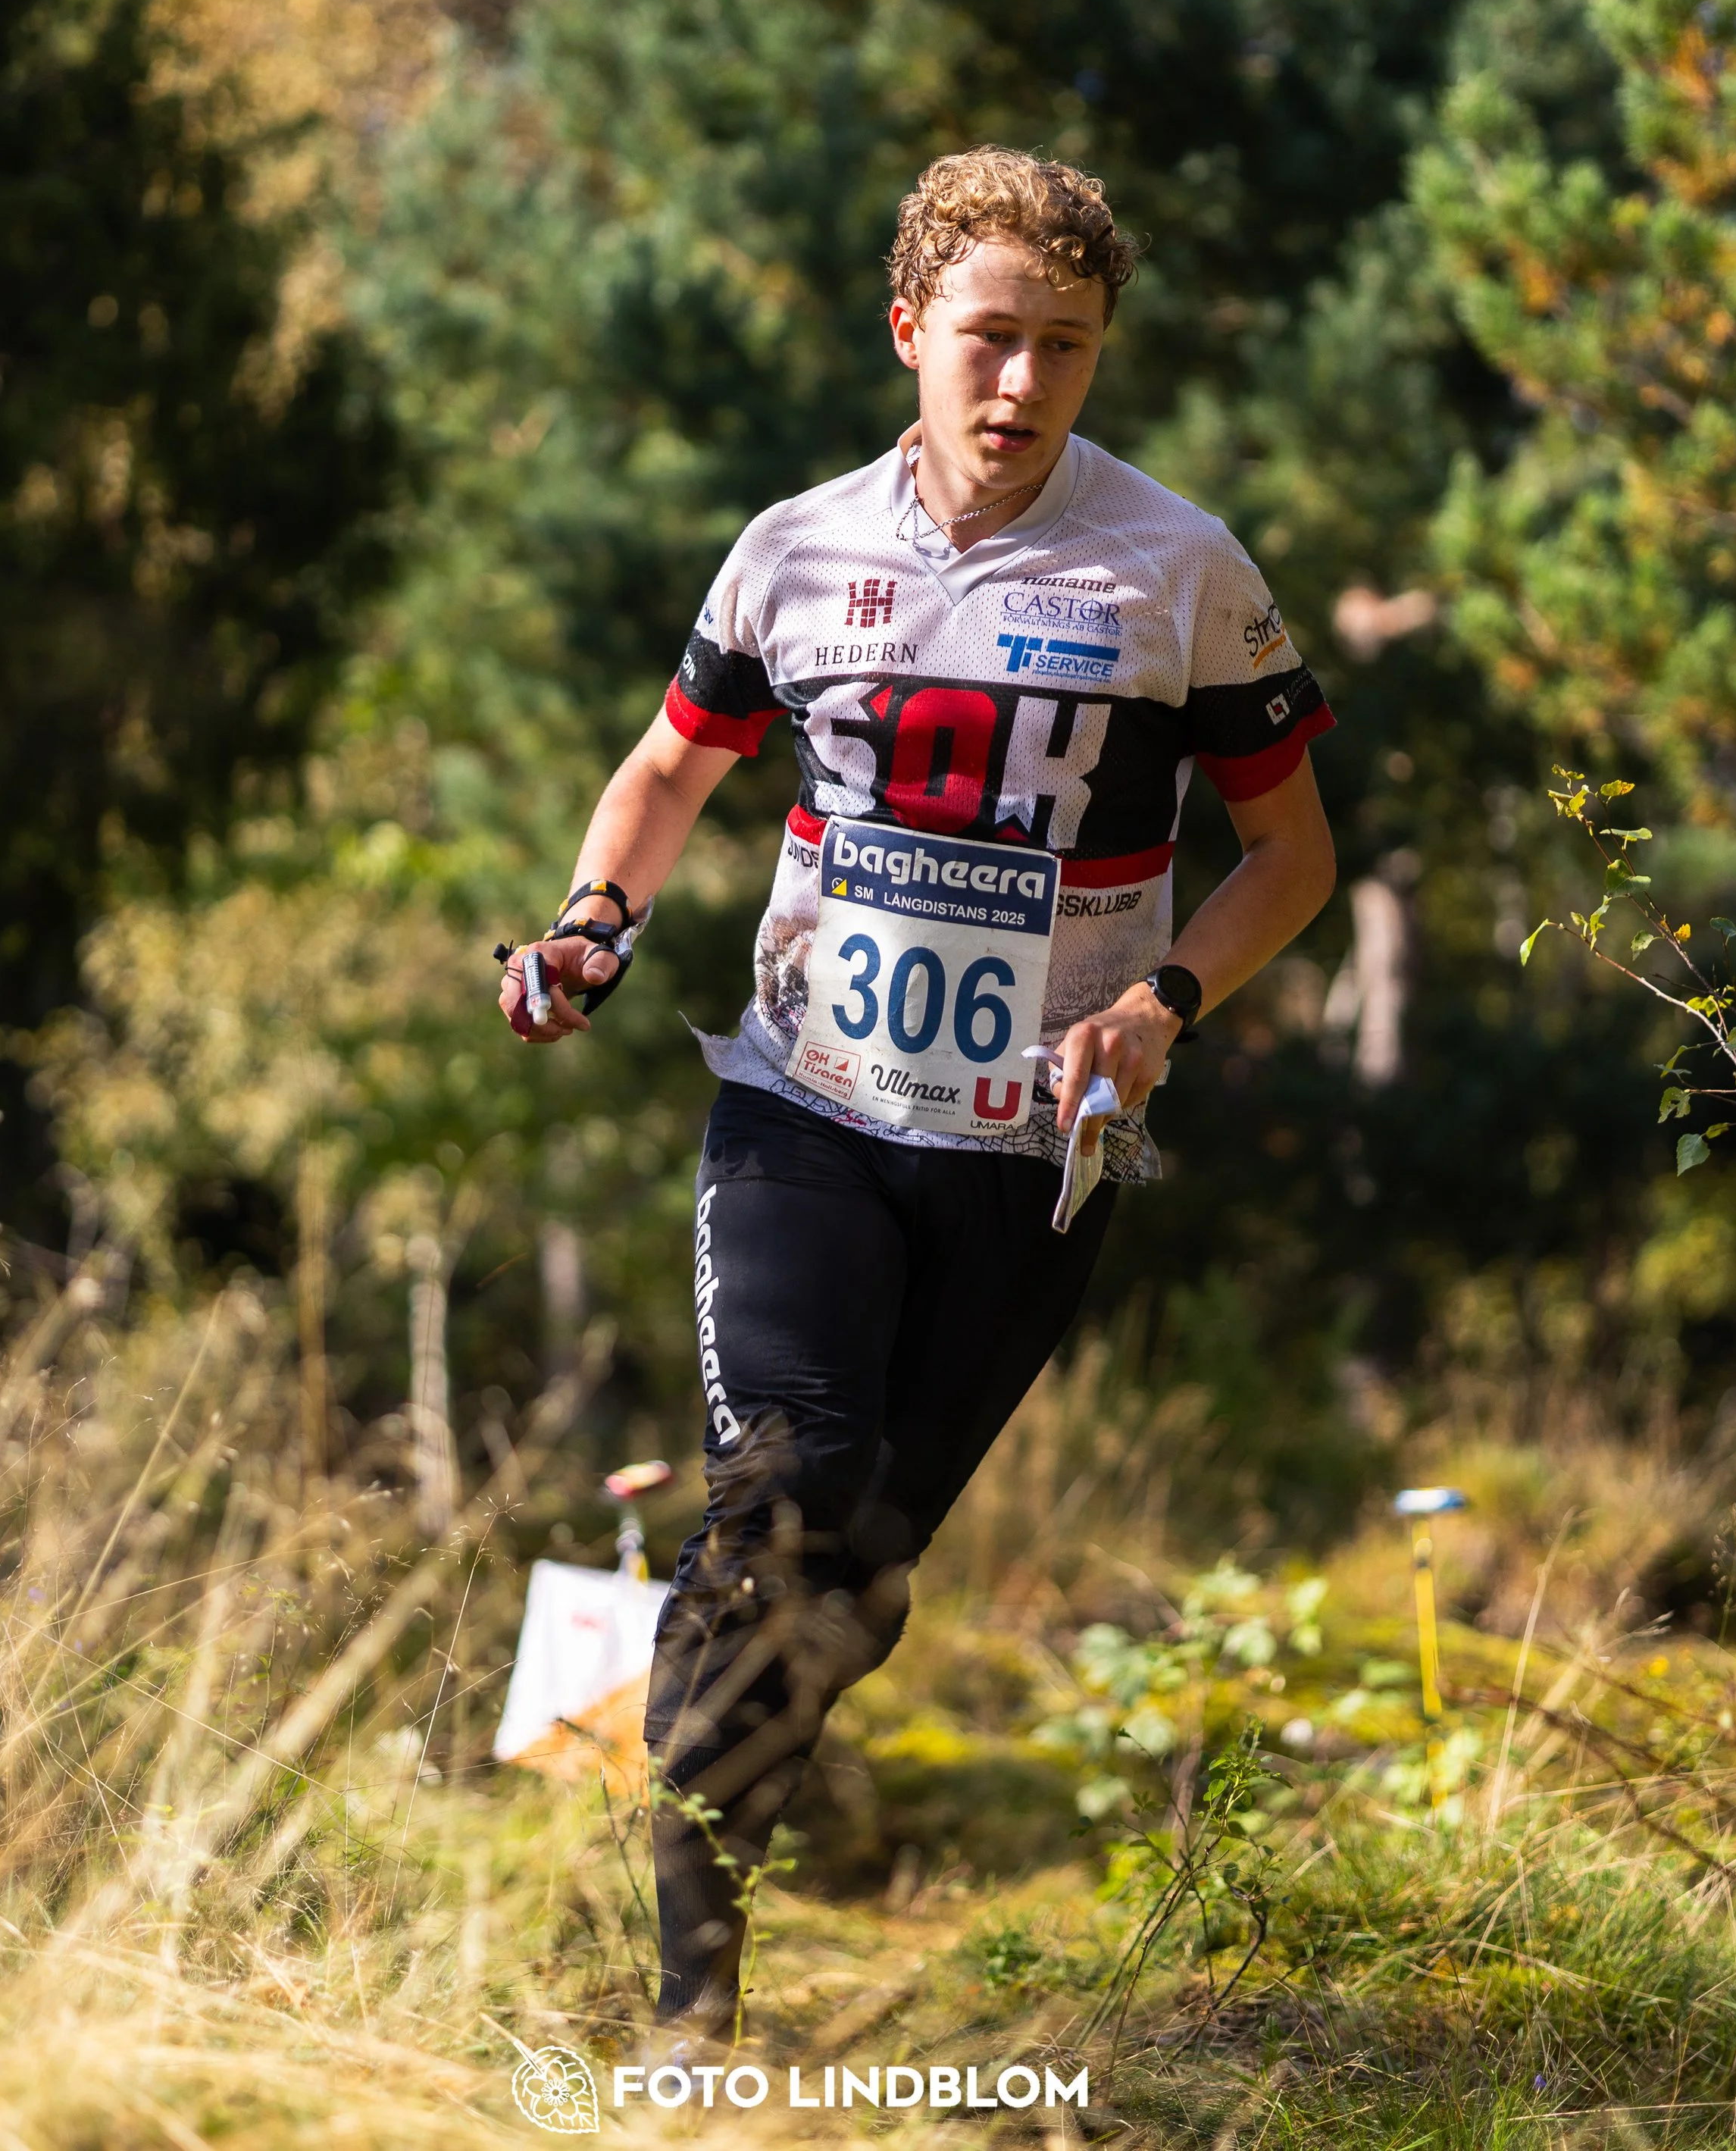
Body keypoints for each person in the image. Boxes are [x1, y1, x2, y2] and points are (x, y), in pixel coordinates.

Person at [496, 146, 1337, 2038]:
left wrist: (1168, 1005)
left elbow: (1289, 857)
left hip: (1033, 1151)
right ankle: (689, 2008)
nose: (1022, 384)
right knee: (788, 1493)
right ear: (907, 332)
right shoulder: (793, 548)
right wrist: (587, 922)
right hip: (803, 1101)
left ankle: (722, 1829)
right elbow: (662, 768)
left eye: (1065, 346)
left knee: (855, 1580)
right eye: (988, 338)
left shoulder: (1178, 568)